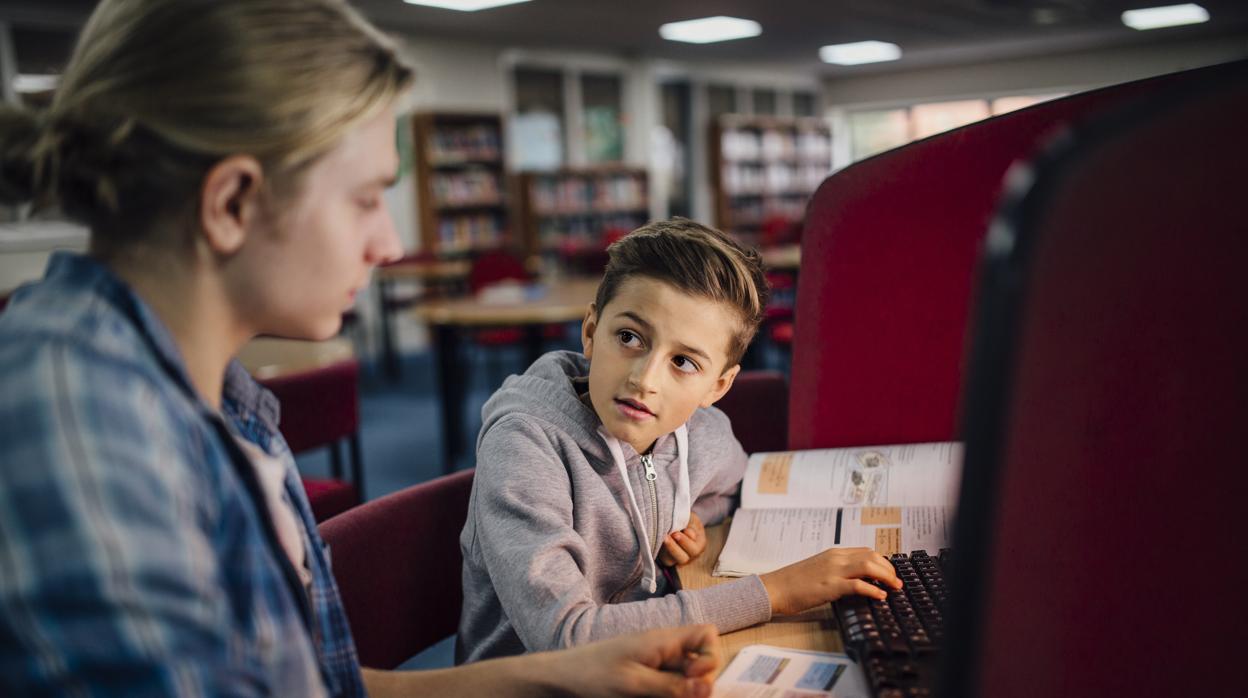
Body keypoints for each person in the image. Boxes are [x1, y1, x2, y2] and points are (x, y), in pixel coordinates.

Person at [0, 1, 722, 695]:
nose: (391, 244)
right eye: (366, 199)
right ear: (231, 204)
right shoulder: (84, 423)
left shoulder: (208, 393)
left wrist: (558, 673)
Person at [458, 218, 903, 663]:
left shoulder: (702, 431)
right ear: (592, 332)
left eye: (684, 362)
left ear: (719, 386)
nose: (644, 379)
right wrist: (776, 591)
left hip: (636, 668)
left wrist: (690, 519)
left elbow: (734, 488)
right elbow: (568, 637)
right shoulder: (524, 444)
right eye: (630, 338)